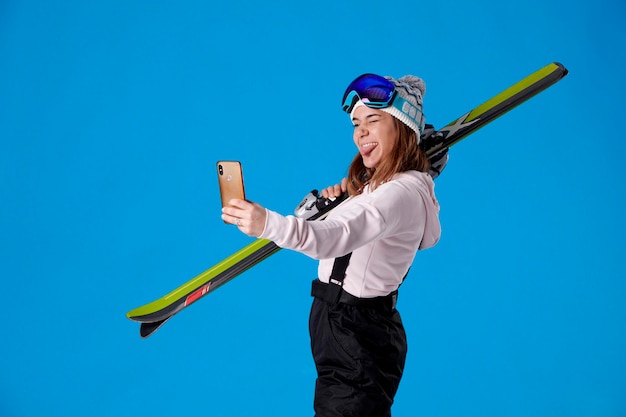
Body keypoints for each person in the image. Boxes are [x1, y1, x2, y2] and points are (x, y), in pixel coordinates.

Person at [221, 73, 441, 417]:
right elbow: (343, 230)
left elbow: (333, 240)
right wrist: (334, 205)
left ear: (402, 126)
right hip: (344, 326)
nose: (361, 132)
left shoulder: (398, 194)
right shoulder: (382, 187)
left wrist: (268, 223)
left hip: (358, 334)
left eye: (373, 119)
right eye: (356, 123)